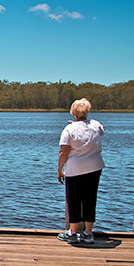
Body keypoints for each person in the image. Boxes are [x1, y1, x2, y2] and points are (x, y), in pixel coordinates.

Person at [57, 98, 105, 244]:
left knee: (73, 199)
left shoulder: (68, 130)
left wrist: (60, 170)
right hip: (95, 167)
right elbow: (98, 131)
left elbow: (63, 152)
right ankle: (88, 233)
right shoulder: (96, 125)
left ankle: (72, 232)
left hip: (75, 168)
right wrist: (81, 124)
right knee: (91, 199)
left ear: (73, 113)